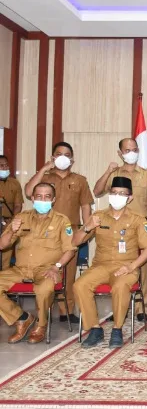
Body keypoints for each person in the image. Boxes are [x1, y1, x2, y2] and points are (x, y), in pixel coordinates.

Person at [73, 177, 147, 349]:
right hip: (100, 266)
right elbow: (75, 242)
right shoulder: (98, 216)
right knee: (80, 285)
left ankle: (117, 329)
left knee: (120, 286)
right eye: (114, 192)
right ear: (109, 195)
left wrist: (131, 267)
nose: (117, 196)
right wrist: (87, 227)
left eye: (122, 194)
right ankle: (95, 329)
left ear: (129, 198)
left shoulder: (138, 219)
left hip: (127, 267)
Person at [25, 142, 94, 324]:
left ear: (72, 160)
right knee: (44, 270)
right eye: (59, 153)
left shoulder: (80, 180)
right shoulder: (45, 177)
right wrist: (43, 169)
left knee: (69, 273)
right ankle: (43, 311)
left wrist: (86, 230)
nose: (63, 157)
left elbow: (85, 206)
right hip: (45, 231)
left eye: (67, 154)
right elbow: (29, 191)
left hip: (70, 232)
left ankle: (67, 311)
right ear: (53, 157)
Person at [0, 183, 76, 344]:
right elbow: (2, 245)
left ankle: (41, 325)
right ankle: (22, 318)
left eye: (47, 197)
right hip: (21, 270)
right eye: (39, 196)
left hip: (47, 270)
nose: (43, 200)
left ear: (53, 200)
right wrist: (12, 230)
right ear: (32, 198)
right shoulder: (21, 218)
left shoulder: (62, 221)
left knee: (44, 289)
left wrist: (56, 267)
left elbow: (70, 250)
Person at [94, 138, 147, 321]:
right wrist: (108, 171)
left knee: (141, 267)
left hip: (140, 226)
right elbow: (97, 191)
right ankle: (119, 307)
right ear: (120, 153)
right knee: (117, 266)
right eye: (127, 150)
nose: (132, 153)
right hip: (116, 226)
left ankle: (141, 307)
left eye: (135, 149)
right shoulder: (114, 174)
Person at [0, 155, 24, 271]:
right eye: (1, 165)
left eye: (6, 165)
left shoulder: (15, 183)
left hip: (7, 223)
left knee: (6, 255)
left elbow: (18, 205)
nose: (5, 168)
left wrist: (12, 221)